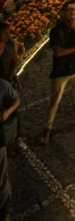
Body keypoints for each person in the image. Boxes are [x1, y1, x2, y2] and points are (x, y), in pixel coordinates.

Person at [40, 0, 75, 143]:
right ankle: (47, 127)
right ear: (63, 12)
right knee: (55, 100)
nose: (73, 13)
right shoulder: (56, 31)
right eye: (69, 10)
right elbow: (58, 53)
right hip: (61, 70)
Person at [0, 76, 20, 217]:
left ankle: (4, 211)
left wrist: (7, 113)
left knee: (1, 178)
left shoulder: (2, 85)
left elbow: (16, 100)